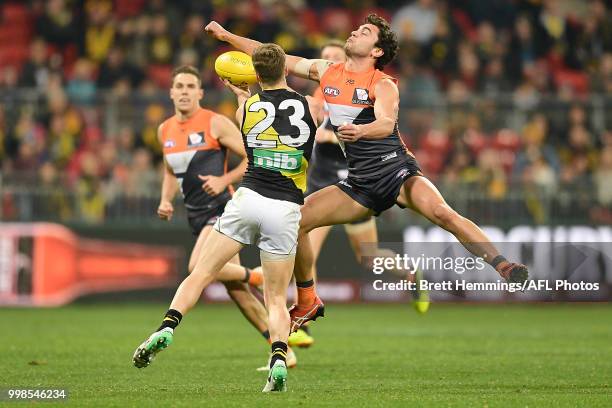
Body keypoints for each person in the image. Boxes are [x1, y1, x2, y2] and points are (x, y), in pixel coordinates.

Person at [204, 13, 529, 331]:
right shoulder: (328, 73)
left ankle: (502, 264)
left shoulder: (383, 84)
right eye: (357, 29)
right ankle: (307, 299)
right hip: (360, 183)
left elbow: (387, 122)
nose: (355, 33)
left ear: (377, 51)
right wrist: (227, 37)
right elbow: (275, 57)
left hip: (396, 171)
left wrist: (363, 131)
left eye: (365, 32)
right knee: (296, 220)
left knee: (442, 213)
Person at [132, 46, 319, 392]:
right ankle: (279, 357)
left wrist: (243, 94)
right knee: (276, 299)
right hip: (285, 207)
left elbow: (250, 140)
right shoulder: (308, 105)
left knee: (201, 272)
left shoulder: (245, 108)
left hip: (245, 200)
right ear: (287, 70)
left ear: (254, 76)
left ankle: (167, 326)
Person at [288, 40, 429, 349]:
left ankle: (409, 273)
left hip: (361, 185)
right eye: (324, 58)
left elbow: (385, 127)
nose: (328, 62)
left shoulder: (367, 91)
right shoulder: (315, 100)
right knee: (305, 243)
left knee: (368, 255)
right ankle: (303, 323)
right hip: (325, 187)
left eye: (333, 57)